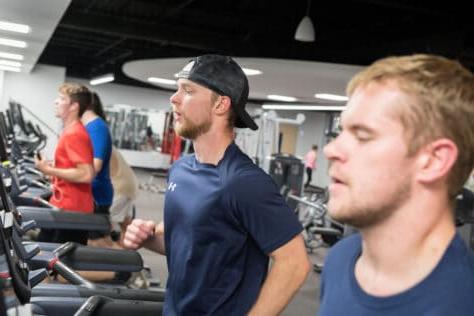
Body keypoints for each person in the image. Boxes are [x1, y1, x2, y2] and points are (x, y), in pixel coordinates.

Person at [124, 54, 310, 315]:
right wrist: (148, 236)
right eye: (177, 89)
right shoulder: (180, 170)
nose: (174, 98)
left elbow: (294, 263)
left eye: (188, 90)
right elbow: (187, 244)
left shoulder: (244, 182)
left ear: (221, 104)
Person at [318, 54, 474, 315]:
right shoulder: (340, 259)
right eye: (341, 132)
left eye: (363, 136)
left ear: (434, 160)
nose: (331, 149)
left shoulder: (462, 303)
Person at [35, 82, 95, 245]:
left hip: (71, 210)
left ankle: (119, 272)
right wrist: (54, 167)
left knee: (53, 262)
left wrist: (49, 170)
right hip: (64, 205)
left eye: (61, 99)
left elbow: (86, 174)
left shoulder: (74, 133)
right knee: (46, 254)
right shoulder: (70, 131)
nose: (56, 102)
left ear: (74, 106)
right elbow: (74, 167)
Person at [81, 92, 114, 244]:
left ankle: (128, 264)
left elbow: (95, 166)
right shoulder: (88, 127)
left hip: (97, 195)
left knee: (99, 244)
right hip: (91, 193)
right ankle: (125, 265)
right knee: (97, 242)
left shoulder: (97, 127)